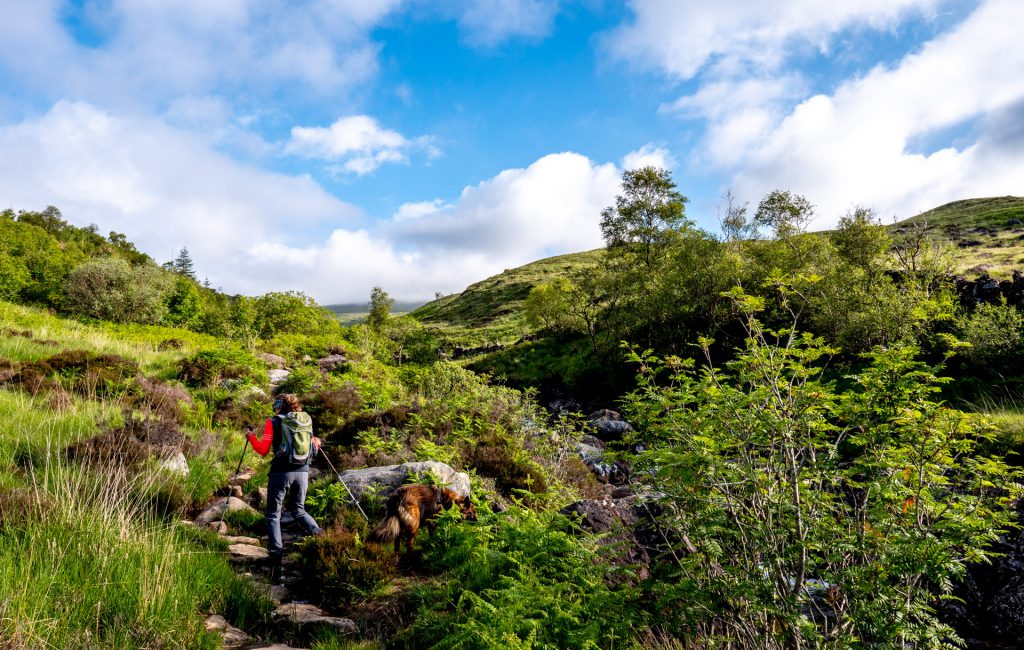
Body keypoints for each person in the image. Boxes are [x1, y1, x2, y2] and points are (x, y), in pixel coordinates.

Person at [245, 393, 324, 582]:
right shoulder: (304, 420)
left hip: (281, 473)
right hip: (303, 472)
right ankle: (321, 536)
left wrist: (251, 438)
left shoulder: (273, 422)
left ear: (278, 406)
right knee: (299, 510)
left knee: (273, 514)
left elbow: (263, 450)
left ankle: (276, 557)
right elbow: (313, 445)